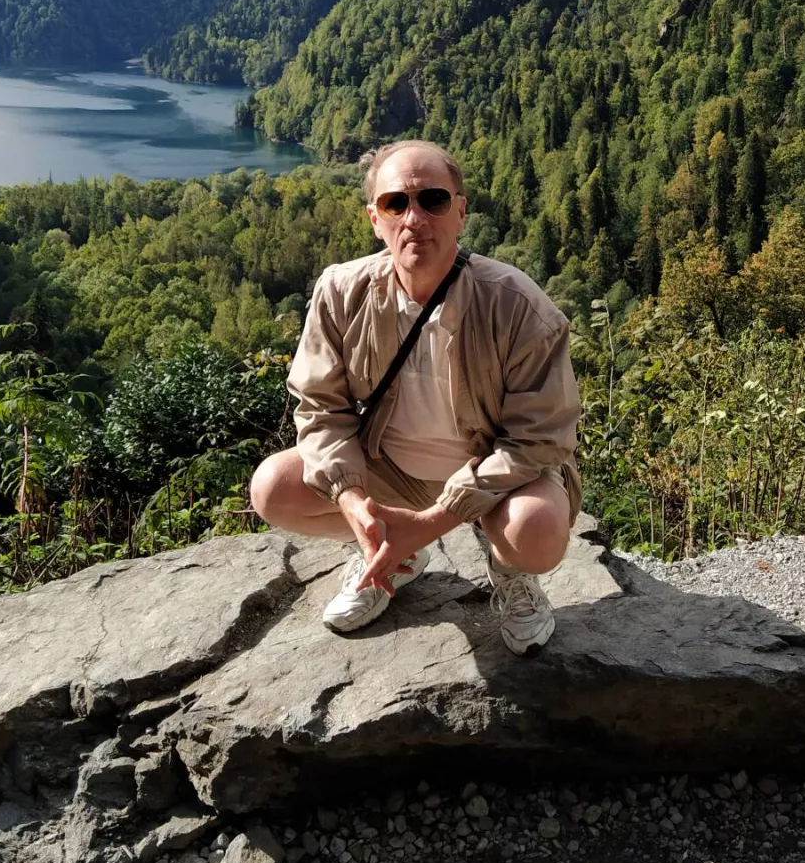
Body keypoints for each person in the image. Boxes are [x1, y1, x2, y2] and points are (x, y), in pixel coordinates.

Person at [249, 139, 581, 654]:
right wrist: (354, 502)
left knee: (534, 531)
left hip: (494, 475)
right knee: (272, 488)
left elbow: (539, 439)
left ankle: (509, 570)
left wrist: (432, 522)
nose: (414, 218)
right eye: (395, 203)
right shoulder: (341, 292)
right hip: (390, 468)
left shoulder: (515, 304)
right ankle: (390, 555)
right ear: (374, 219)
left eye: (433, 200)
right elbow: (320, 408)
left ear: (460, 211)